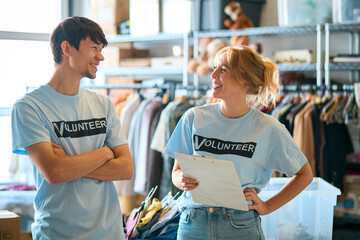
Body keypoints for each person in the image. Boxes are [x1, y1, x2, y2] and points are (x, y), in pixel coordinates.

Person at [163, 46, 313, 240]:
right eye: (215, 68)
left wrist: (267, 206)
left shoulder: (269, 128)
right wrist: (181, 180)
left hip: (240, 225)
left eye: (223, 70)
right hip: (193, 223)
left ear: (244, 82)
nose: (213, 74)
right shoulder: (193, 117)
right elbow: (176, 172)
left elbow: (304, 175)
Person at [11, 16, 134, 240]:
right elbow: (55, 172)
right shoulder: (28, 107)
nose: (101, 56)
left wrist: (69, 162)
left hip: (110, 234)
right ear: (67, 48)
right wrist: (105, 153)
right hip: (57, 234)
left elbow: (126, 169)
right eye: (94, 48)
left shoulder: (103, 104)